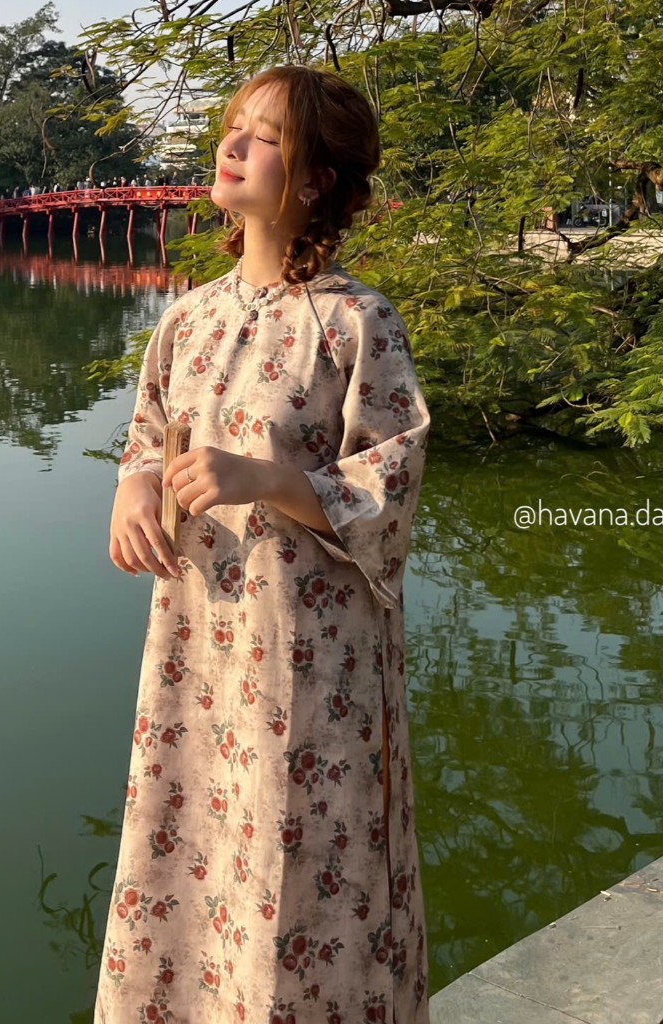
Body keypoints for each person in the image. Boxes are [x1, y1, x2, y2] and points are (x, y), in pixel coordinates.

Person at [101, 64, 431, 1024]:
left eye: (265, 136)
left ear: (317, 179)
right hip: (198, 644)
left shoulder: (355, 321)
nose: (232, 145)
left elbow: (391, 488)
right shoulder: (188, 316)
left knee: (305, 859)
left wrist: (267, 481)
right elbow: (150, 432)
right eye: (234, 126)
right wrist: (134, 486)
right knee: (193, 834)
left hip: (311, 659)